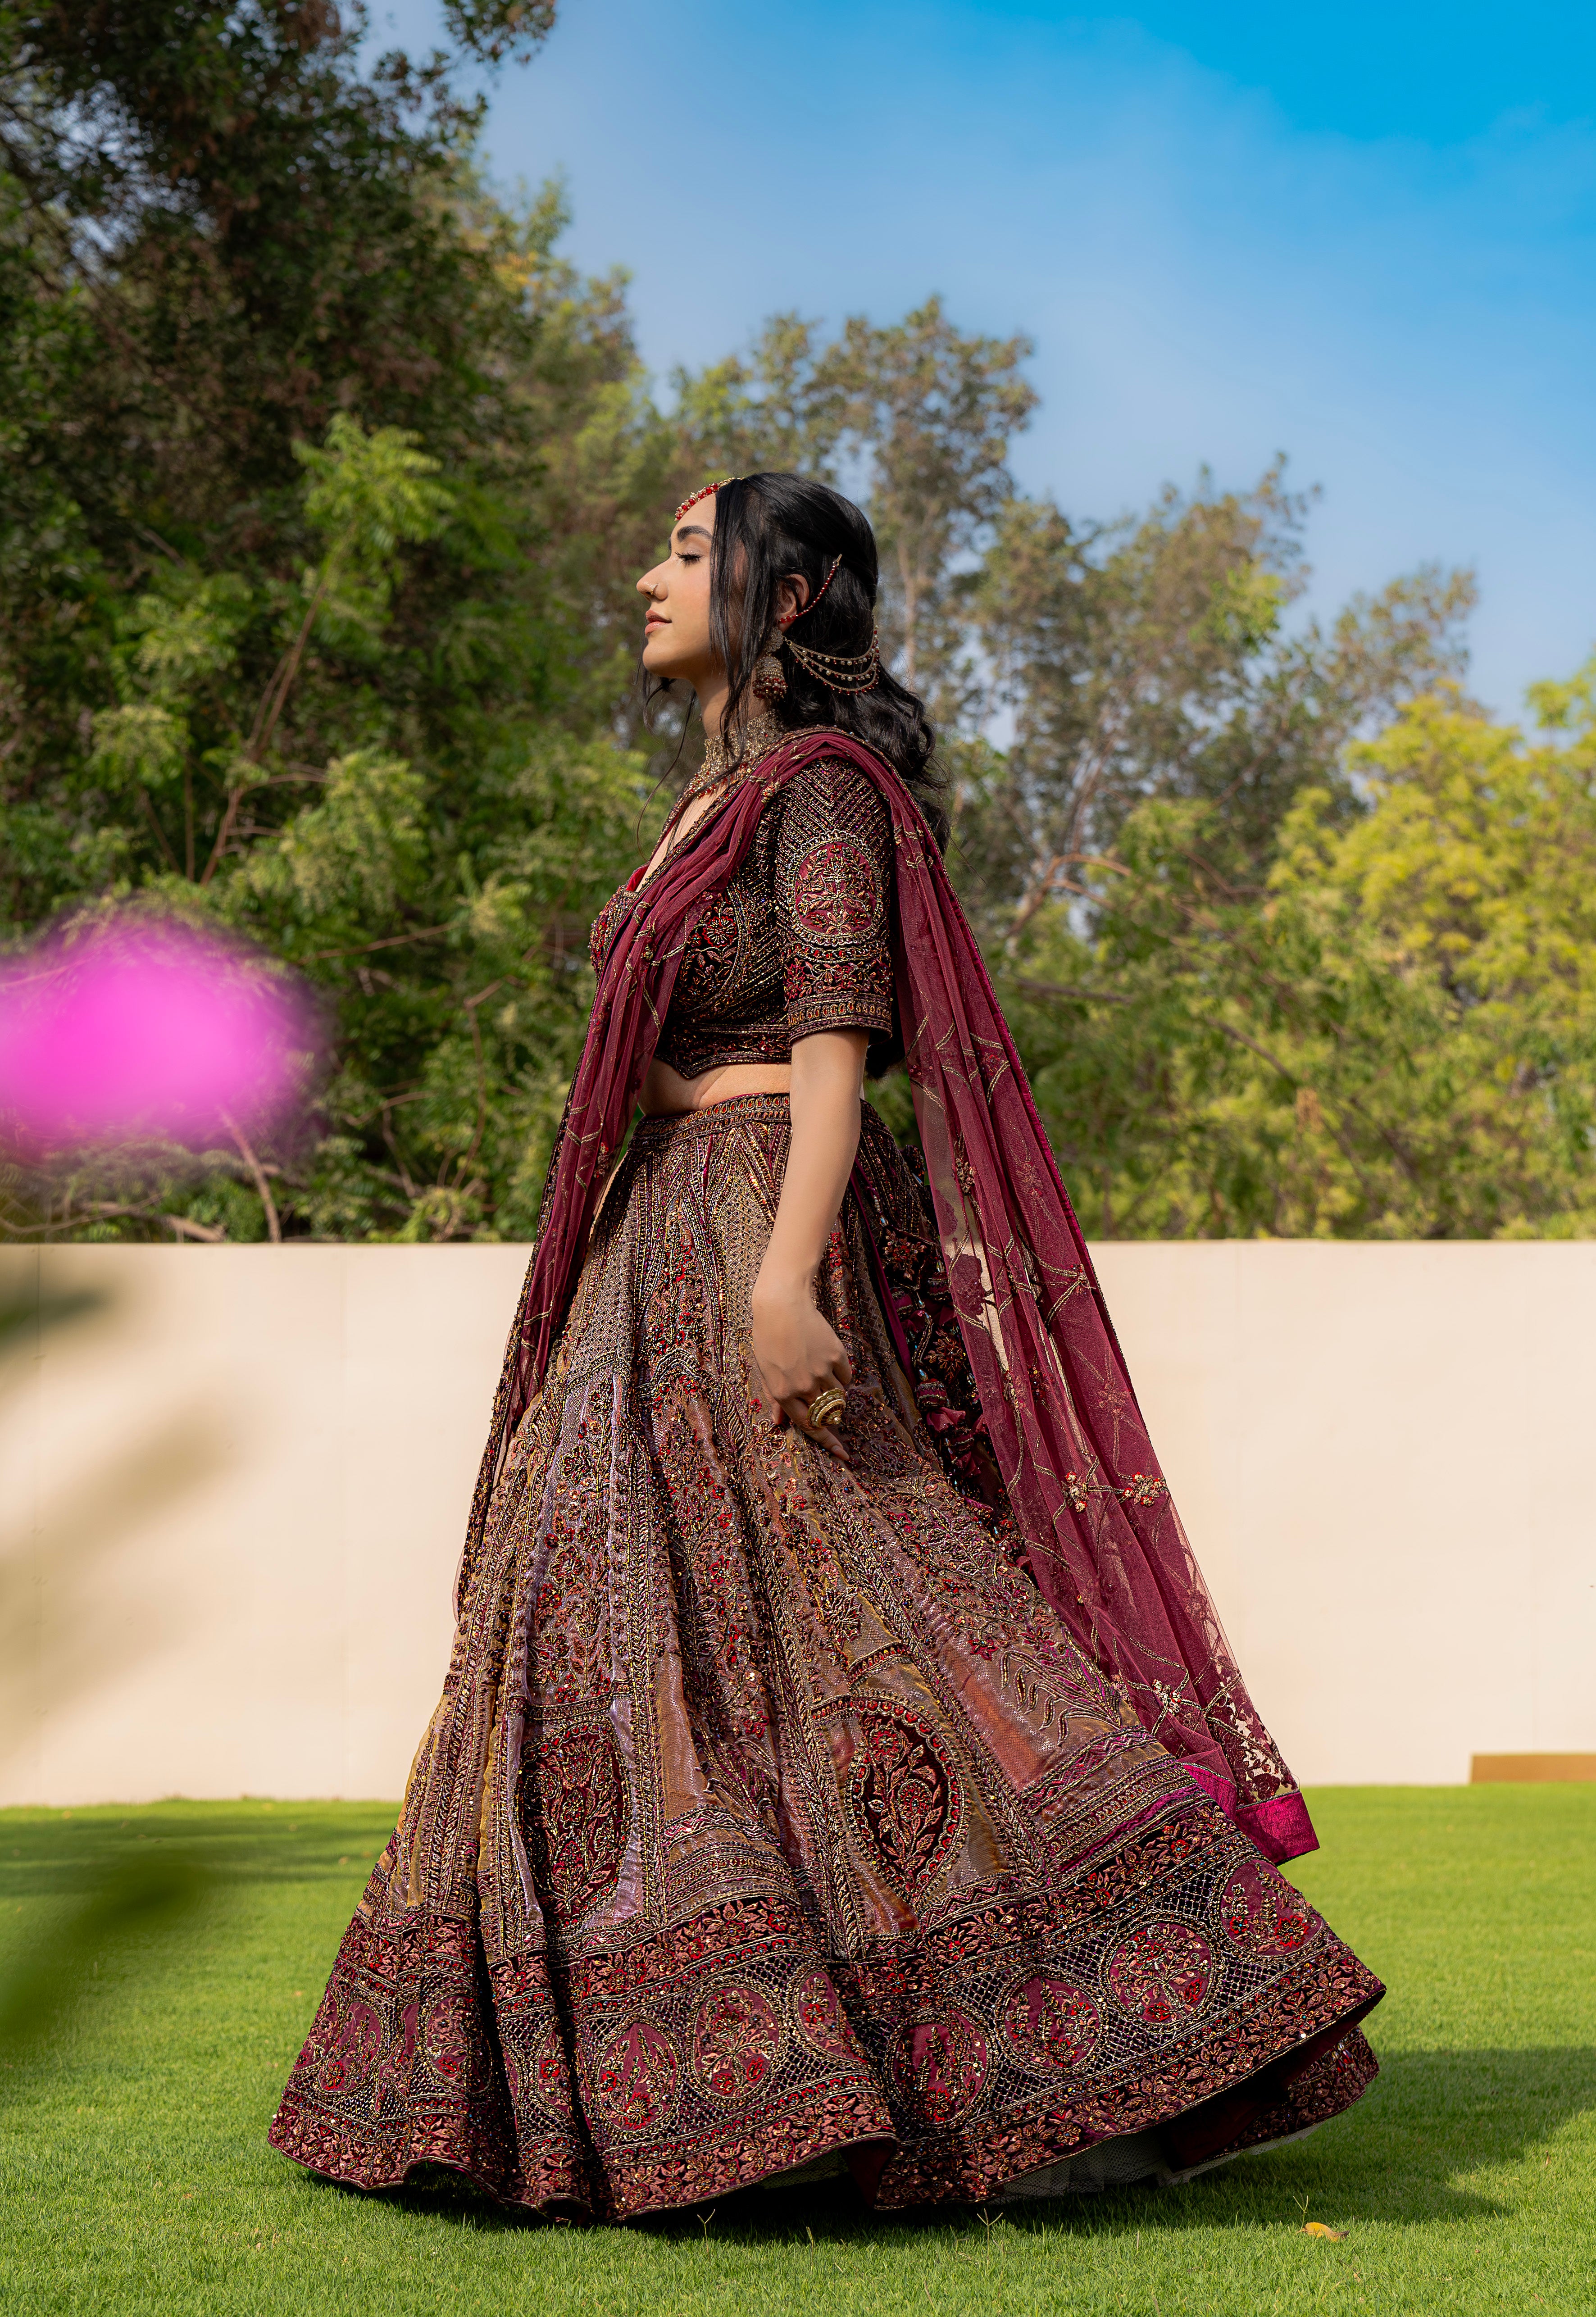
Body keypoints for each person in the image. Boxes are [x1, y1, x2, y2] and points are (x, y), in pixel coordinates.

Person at [269, 474, 1382, 2220]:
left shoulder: (821, 796)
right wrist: (673, 1096)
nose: (646, 576)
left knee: (871, 1603)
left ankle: (1112, 2018)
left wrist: (787, 1281)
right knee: (598, 1637)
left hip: (763, 1234)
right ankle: (642, 2091)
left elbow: (838, 1041)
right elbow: (636, 1046)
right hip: (654, 1251)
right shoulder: (695, 811)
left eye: (689, 552)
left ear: (788, 598)